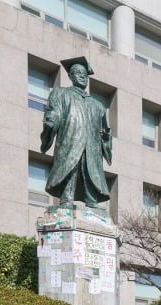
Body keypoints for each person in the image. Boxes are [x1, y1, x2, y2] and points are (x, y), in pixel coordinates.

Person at [41, 57, 113, 209]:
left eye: (85, 74)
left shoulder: (97, 105)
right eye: (78, 73)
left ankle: (91, 203)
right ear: (70, 76)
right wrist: (50, 122)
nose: (82, 76)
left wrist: (106, 138)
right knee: (70, 169)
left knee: (91, 172)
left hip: (92, 148)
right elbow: (54, 113)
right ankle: (66, 200)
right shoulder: (61, 93)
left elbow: (105, 131)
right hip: (70, 141)